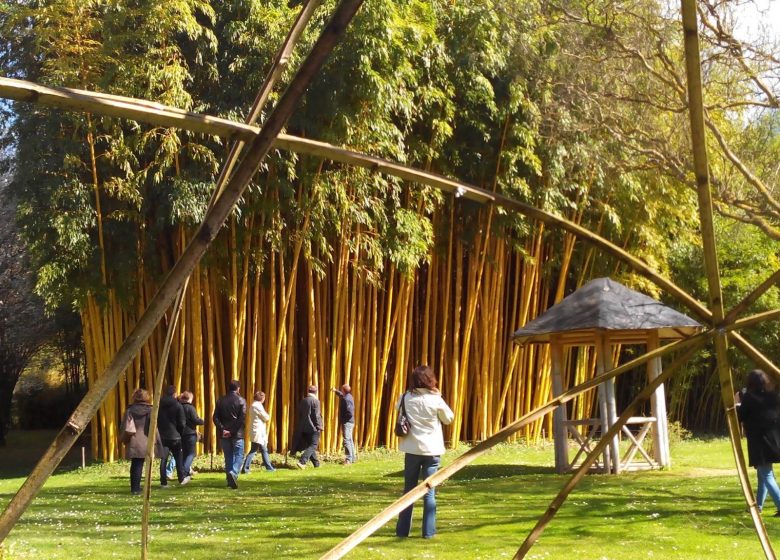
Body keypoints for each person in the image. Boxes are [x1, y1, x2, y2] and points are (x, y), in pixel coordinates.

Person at [395, 365, 454, 539]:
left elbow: (397, 409)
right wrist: (437, 396)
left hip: (411, 449)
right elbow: (449, 419)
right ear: (430, 380)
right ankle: (428, 532)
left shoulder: (405, 397)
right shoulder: (435, 399)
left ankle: (402, 531)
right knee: (430, 492)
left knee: (408, 491)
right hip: (431, 450)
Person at [736, 369, 780, 515]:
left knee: (766, 475)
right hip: (773, 440)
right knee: (763, 475)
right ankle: (758, 506)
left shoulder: (749, 397)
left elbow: (740, 416)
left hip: (759, 441)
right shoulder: (773, 396)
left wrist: (737, 405)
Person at [120, 388, 163, 495]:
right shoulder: (151, 410)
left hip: (134, 440)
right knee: (147, 464)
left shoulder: (130, 410)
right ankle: (145, 487)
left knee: (136, 465)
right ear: (147, 397)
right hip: (148, 439)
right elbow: (154, 426)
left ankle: (135, 488)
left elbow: (125, 426)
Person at [213, 379, 247, 489]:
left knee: (228, 456)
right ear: (238, 388)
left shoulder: (220, 400)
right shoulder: (241, 400)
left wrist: (223, 429)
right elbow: (241, 418)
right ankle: (234, 472)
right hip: (237, 433)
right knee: (239, 455)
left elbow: (215, 418)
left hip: (224, 434)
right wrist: (232, 431)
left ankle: (229, 481)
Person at [158, 385, 190, 487]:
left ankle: (163, 482)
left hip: (163, 436)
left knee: (163, 459)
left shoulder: (159, 405)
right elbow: (182, 423)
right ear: (174, 393)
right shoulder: (178, 405)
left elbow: (156, 420)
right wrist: (180, 433)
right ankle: (181, 478)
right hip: (175, 436)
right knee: (178, 458)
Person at [242, 391, 276, 473]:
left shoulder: (254, 405)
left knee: (261, 449)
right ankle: (246, 468)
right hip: (258, 431)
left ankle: (268, 467)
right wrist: (267, 416)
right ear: (262, 398)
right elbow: (266, 417)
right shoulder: (257, 406)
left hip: (257, 430)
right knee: (256, 450)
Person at [293, 385, 324, 468]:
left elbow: (300, 414)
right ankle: (302, 461)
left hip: (303, 427)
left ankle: (316, 464)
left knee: (309, 445)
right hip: (313, 427)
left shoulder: (303, 401)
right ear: (316, 392)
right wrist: (319, 426)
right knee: (314, 445)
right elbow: (316, 415)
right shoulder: (316, 401)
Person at [179, 390, 204, 477]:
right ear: (190, 398)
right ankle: (184, 470)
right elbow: (195, 419)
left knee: (185, 453)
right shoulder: (190, 408)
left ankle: (184, 472)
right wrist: (202, 421)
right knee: (191, 453)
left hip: (180, 433)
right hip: (190, 433)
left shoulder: (178, 407)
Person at [332, 384, 356, 464]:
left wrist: (345, 420)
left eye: (341, 389)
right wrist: (335, 391)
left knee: (346, 440)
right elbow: (342, 395)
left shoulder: (347, 399)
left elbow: (350, 412)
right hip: (350, 422)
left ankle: (348, 459)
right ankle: (353, 458)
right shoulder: (349, 396)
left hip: (347, 422)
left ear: (343, 390)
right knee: (350, 440)